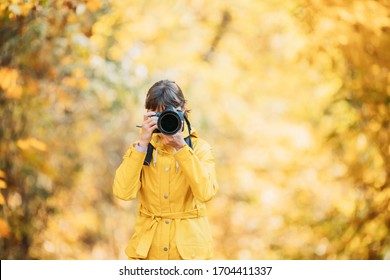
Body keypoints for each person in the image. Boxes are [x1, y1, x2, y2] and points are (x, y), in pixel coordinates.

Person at [113, 80, 219, 260]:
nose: (165, 120)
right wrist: (142, 145)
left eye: (169, 113)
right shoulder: (142, 150)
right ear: (149, 114)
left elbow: (206, 193)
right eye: (158, 114)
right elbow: (122, 193)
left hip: (188, 256)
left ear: (183, 110)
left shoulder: (199, 149)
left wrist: (182, 149)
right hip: (148, 254)